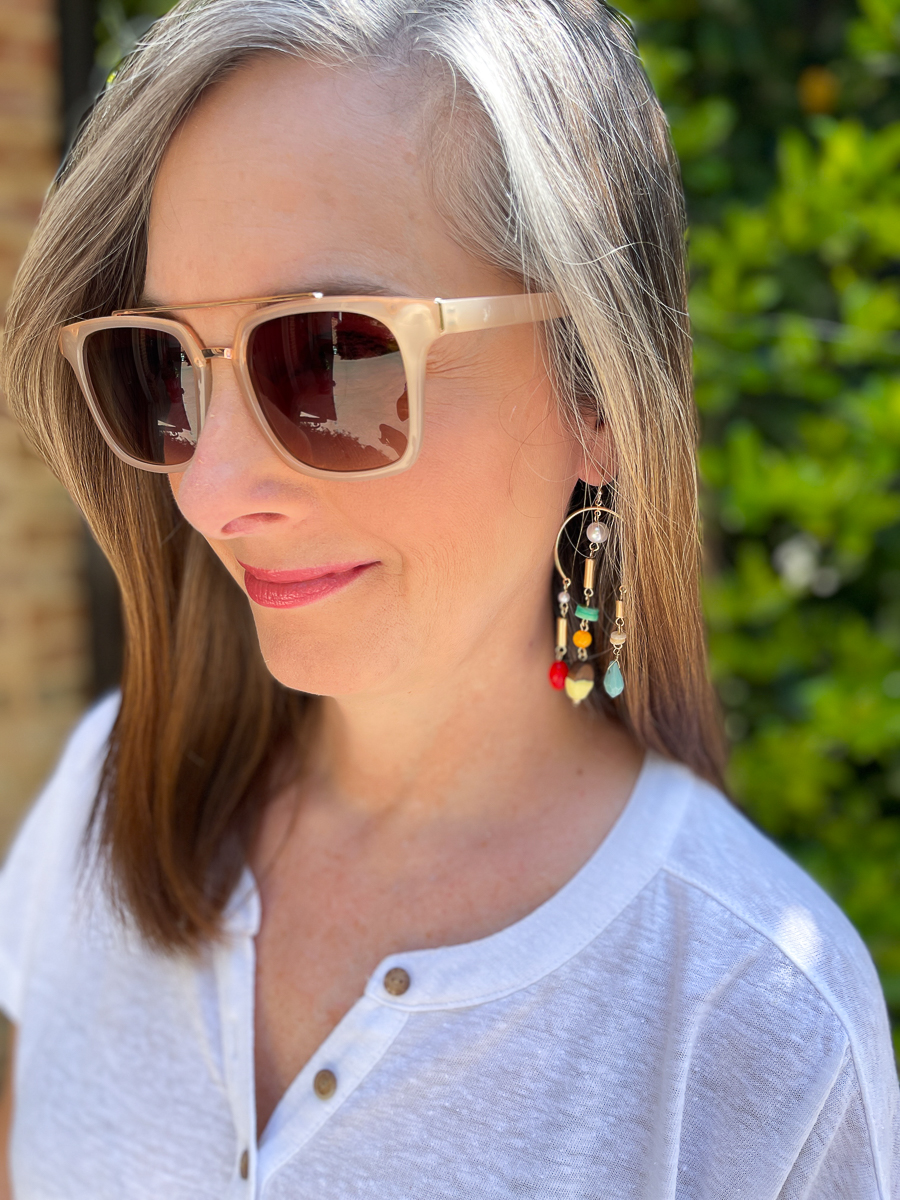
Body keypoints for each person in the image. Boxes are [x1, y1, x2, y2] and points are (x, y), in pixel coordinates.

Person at [0, 0, 897, 1195]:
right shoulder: (101, 804)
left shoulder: (754, 1021)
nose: (211, 490)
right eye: (160, 363)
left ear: (598, 388)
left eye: (332, 356)